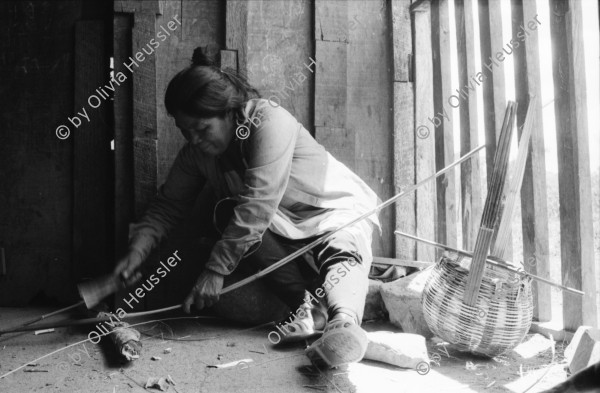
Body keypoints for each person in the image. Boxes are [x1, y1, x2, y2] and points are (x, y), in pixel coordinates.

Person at [113, 48, 381, 367]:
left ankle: (343, 325)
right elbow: (167, 207)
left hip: (331, 213)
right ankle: (309, 306)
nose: (194, 139)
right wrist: (137, 251)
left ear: (228, 112)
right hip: (280, 232)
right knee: (227, 212)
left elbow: (258, 201)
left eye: (201, 128)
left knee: (340, 248)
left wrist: (215, 270)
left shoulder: (269, 119)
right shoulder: (196, 154)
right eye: (186, 131)